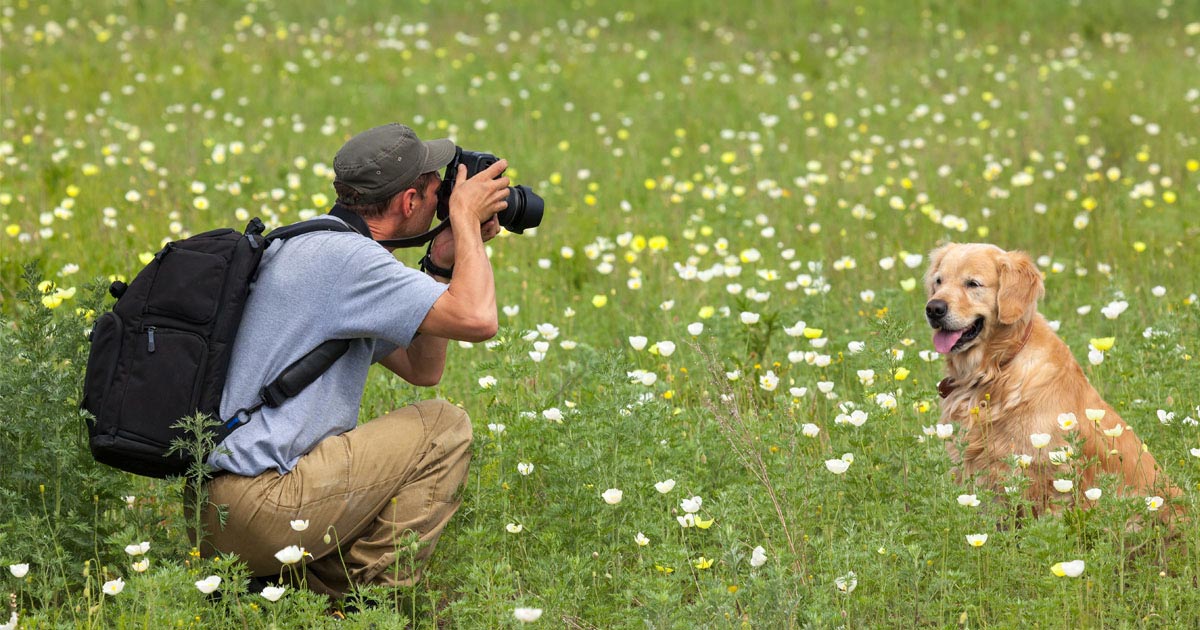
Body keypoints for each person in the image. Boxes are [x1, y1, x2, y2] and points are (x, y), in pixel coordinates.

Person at [195, 123, 510, 597]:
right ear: (408, 202)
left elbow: (423, 370)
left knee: (430, 422)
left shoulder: (309, 245)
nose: (442, 199)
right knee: (444, 428)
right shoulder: (352, 262)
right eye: (436, 190)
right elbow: (479, 319)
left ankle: (289, 591)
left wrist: (441, 263)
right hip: (262, 503)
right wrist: (465, 221)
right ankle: (363, 603)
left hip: (217, 510)